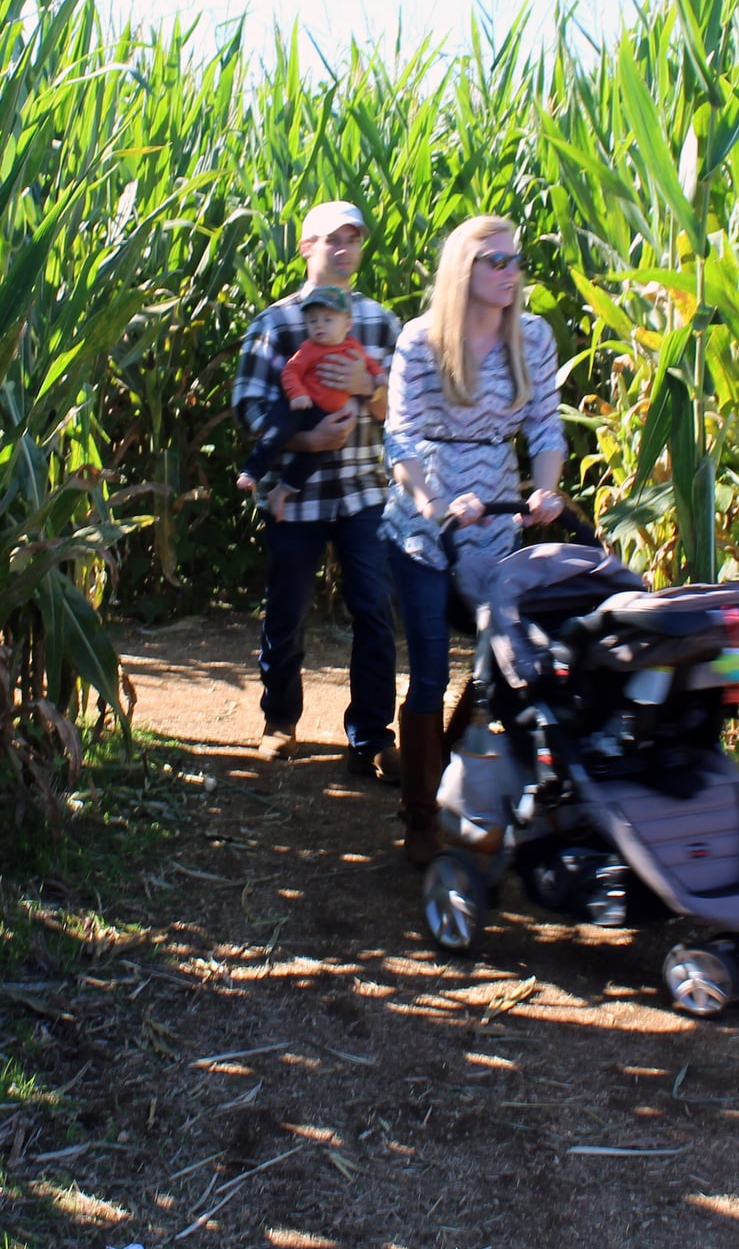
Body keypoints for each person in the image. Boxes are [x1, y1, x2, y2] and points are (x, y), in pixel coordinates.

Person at [380, 214, 565, 864]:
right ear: (464, 269)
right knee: (430, 662)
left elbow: (544, 427)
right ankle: (421, 814)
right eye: (497, 261)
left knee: (498, 659)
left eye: (516, 260)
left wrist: (544, 491)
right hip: (427, 516)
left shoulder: (532, 338)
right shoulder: (422, 341)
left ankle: (460, 775)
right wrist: (432, 502)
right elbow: (399, 437)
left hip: (498, 510)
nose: (512, 272)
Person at [232, 201, 401, 780]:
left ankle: (373, 737)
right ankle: (280, 722)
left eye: (354, 239)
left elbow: (402, 411)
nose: (344, 249)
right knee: (287, 610)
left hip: (363, 490)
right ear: (306, 247)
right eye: (333, 239)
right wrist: (304, 443)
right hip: (295, 492)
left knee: (375, 611)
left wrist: (368, 387)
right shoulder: (275, 325)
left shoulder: (380, 323)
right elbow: (251, 406)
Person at [238, 285, 387, 521]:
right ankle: (252, 471)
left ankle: (282, 492)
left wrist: (377, 378)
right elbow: (290, 372)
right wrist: (297, 394)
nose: (319, 326)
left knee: (315, 457)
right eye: (312, 321)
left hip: (323, 413)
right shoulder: (308, 349)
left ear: (347, 325)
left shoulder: (353, 347)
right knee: (277, 431)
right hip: (297, 404)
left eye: (327, 320)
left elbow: (370, 365)